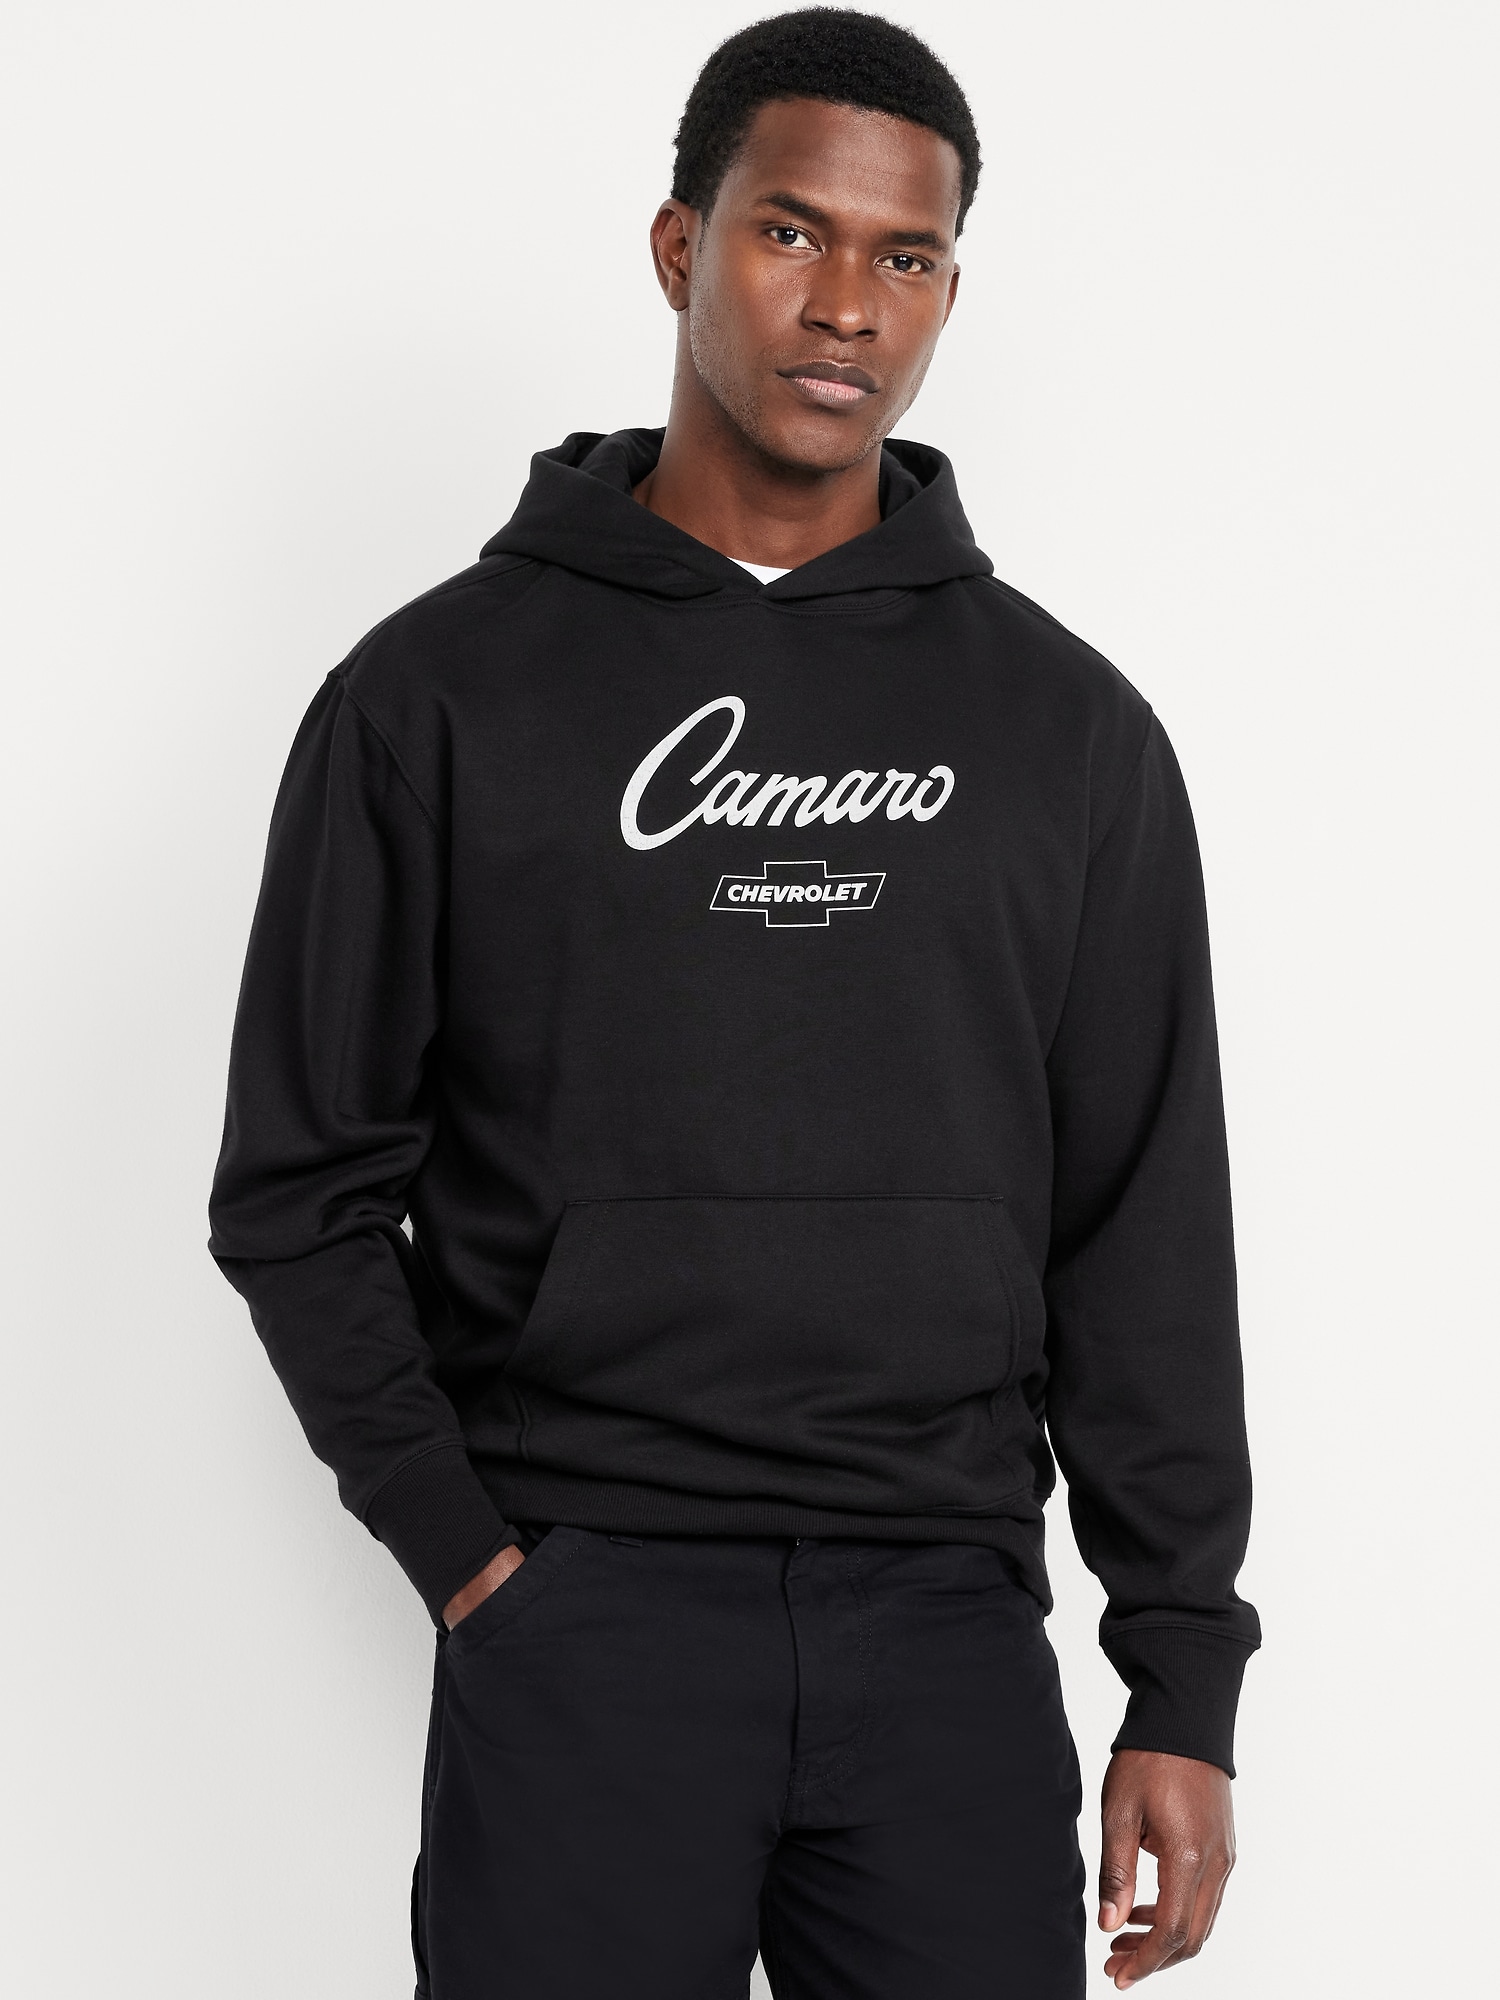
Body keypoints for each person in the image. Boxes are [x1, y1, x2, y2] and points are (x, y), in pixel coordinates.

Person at [209, 10, 1259, 1996]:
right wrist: (472, 1562)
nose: (848, 302)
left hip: (947, 1630)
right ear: (681, 245)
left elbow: (1140, 1219)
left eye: (906, 255)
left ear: (948, 292)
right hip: (581, 1623)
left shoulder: (1068, 736)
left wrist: (1180, 1672)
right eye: (793, 231)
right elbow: (297, 1190)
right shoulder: (436, 698)